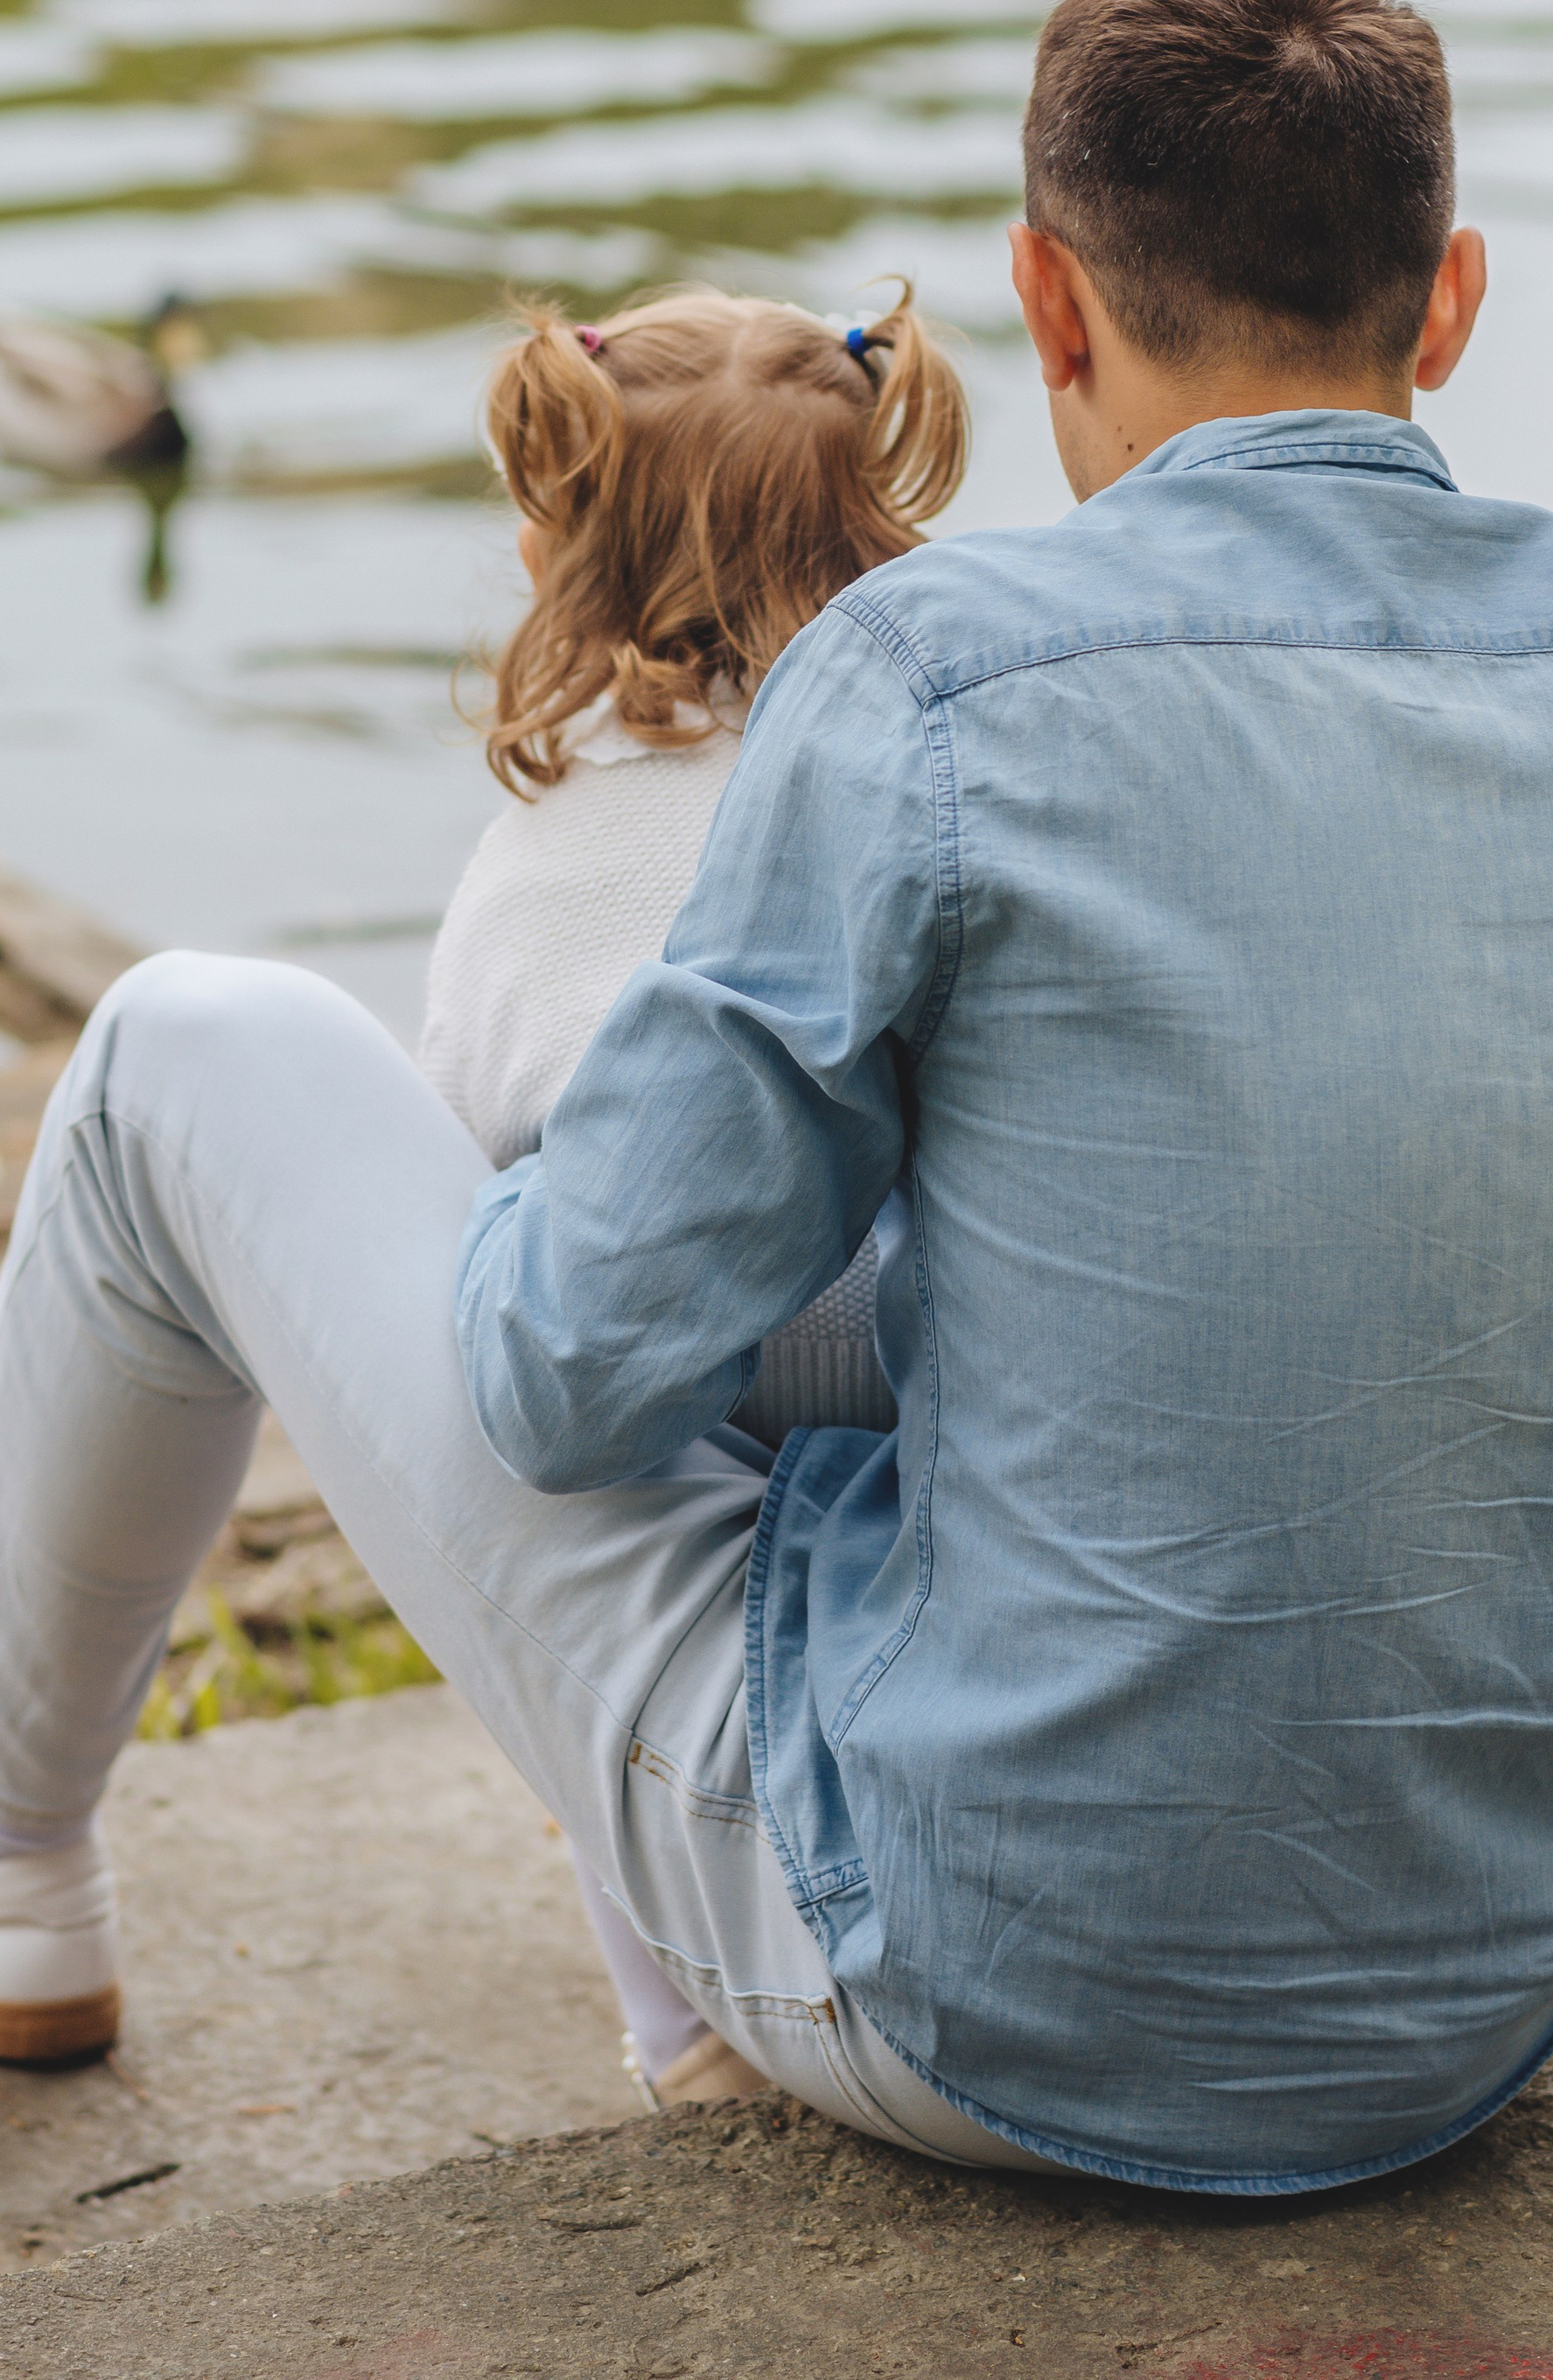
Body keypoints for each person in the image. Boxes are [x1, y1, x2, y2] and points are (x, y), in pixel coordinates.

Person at [0, 0, 1553, 2192]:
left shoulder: (942, 681)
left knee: (197, 1045)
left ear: (1047, 298)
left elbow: (569, 1378)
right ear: (1451, 298)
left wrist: (555, 1191)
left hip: (998, 1988)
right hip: (1495, 1983)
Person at [416, 282, 965, 2095]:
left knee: (544, 1394)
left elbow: (486, 1169)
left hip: (682, 1441)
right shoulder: (930, 794)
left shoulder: (545, 863)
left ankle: (686, 2024)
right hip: (931, 1439)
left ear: (550, 531)